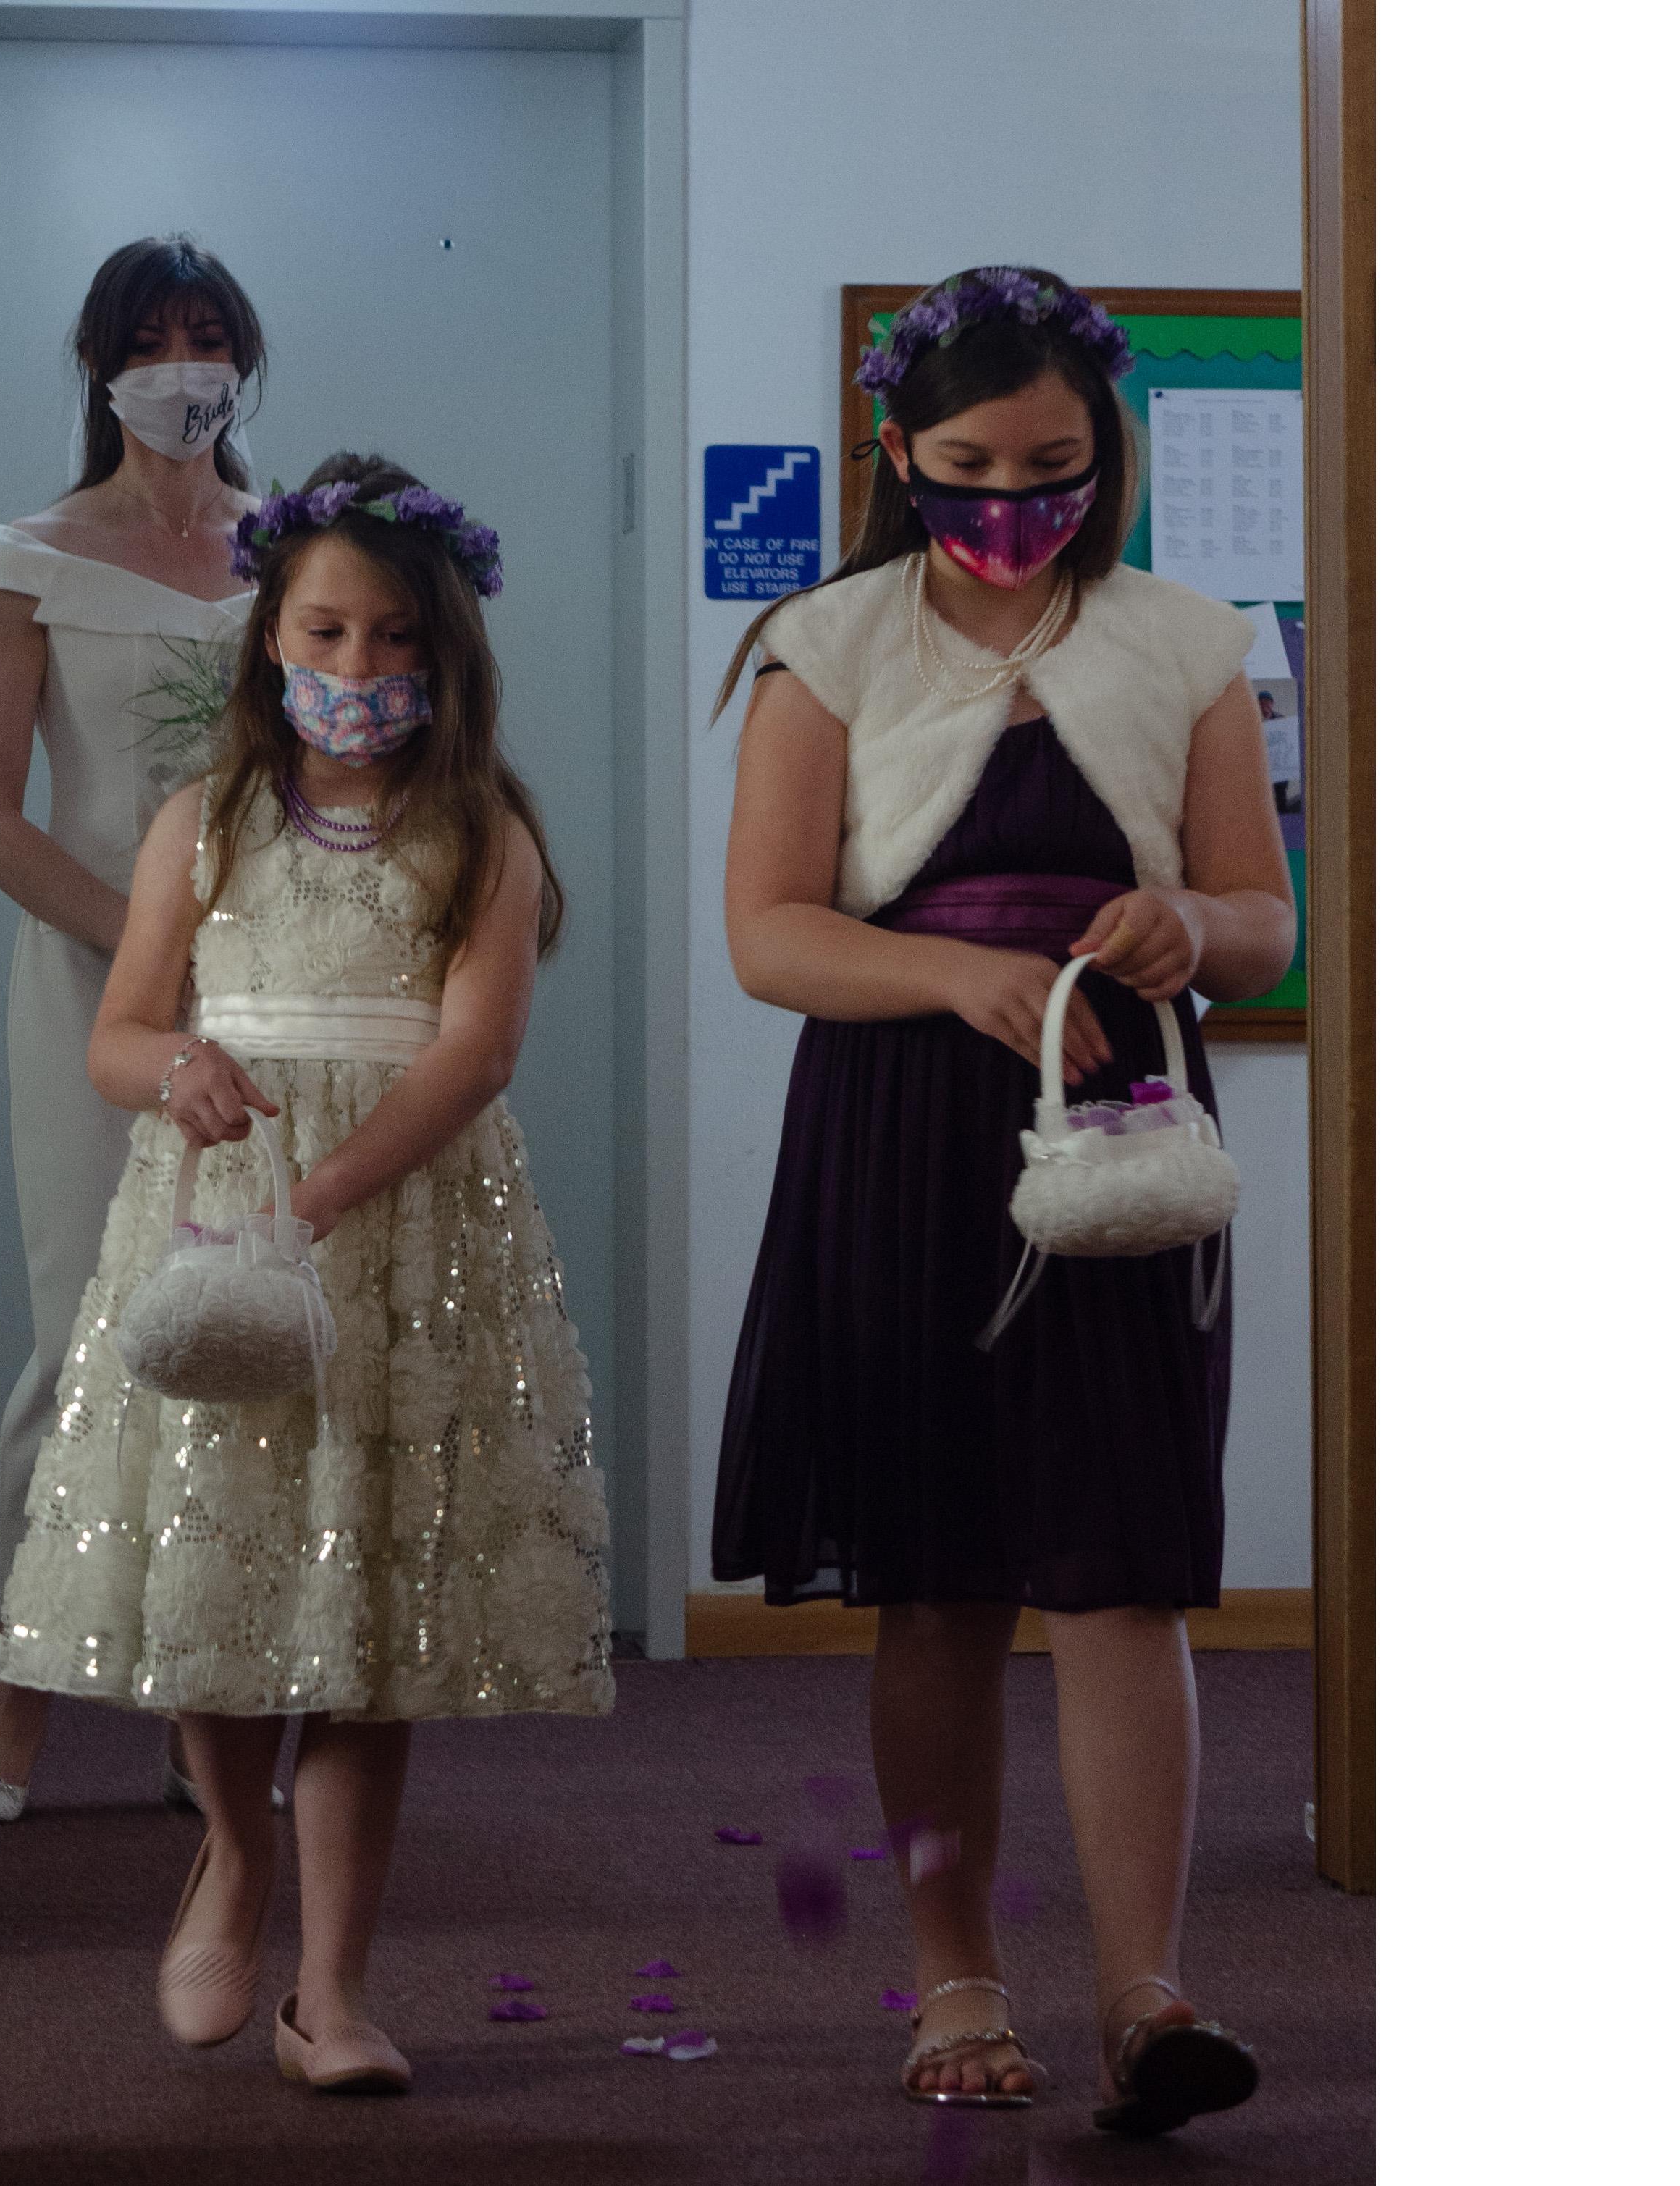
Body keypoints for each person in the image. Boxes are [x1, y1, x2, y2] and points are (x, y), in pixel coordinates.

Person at [711, 268, 1293, 2135]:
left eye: (1052, 466)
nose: (1010, 503)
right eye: (967, 467)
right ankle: (954, 1970)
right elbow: (770, 933)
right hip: (903, 1121)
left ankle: (1146, 1988)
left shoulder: (1191, 644)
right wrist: (948, 978)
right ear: (901, 454)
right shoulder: (827, 642)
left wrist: (1190, 927)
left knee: (1123, 1569)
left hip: (1122, 1118)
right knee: (939, 1577)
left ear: (1102, 454)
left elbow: (1267, 923)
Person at [0, 455, 613, 2088]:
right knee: (226, 1542)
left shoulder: (484, 832)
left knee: (367, 1590)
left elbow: (474, 1057)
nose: (352, 673)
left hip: (396, 1224)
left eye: (389, 639)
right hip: (215, 1219)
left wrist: (321, 1195)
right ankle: (232, 1853)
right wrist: (176, 1071)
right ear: (271, 636)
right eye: (322, 634)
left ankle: (331, 1986)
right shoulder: (206, 823)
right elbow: (124, 1027)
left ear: (444, 656)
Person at [0, 235, 272, 1821]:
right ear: (101, 365)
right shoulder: (27, 555)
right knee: (88, 1334)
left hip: (273, 997)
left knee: (254, 1326)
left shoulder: (300, 557)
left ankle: (205, 1700)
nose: (183, 363)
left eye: (209, 336)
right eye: (152, 337)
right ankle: (18, 1696)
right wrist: (147, 947)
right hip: (89, 985)